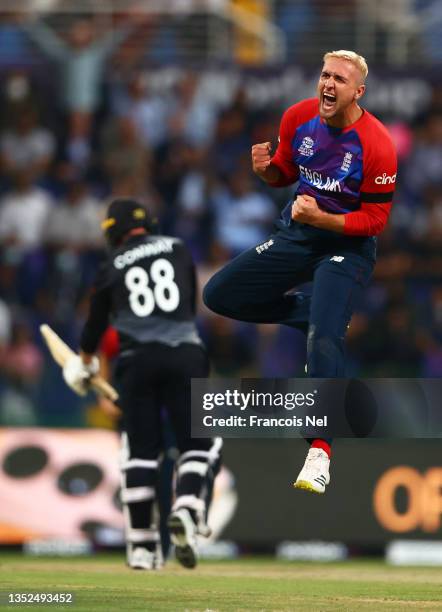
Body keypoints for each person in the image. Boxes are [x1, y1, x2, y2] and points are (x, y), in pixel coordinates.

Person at [203, 50, 397, 494]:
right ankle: (320, 311)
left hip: (346, 245)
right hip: (298, 235)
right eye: (325, 75)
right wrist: (267, 171)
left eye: (340, 80)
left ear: (358, 92)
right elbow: (287, 173)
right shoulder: (297, 117)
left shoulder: (378, 143)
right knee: (219, 295)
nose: (328, 84)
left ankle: (320, 452)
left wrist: (322, 221)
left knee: (323, 338)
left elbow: (375, 222)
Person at [62, 199, 221, 570]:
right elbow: (187, 306)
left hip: (136, 362)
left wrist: (83, 364)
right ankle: (187, 506)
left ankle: (142, 547)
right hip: (185, 354)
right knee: (197, 445)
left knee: (140, 453)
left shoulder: (110, 266)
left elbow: (94, 327)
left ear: (112, 233)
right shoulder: (180, 248)